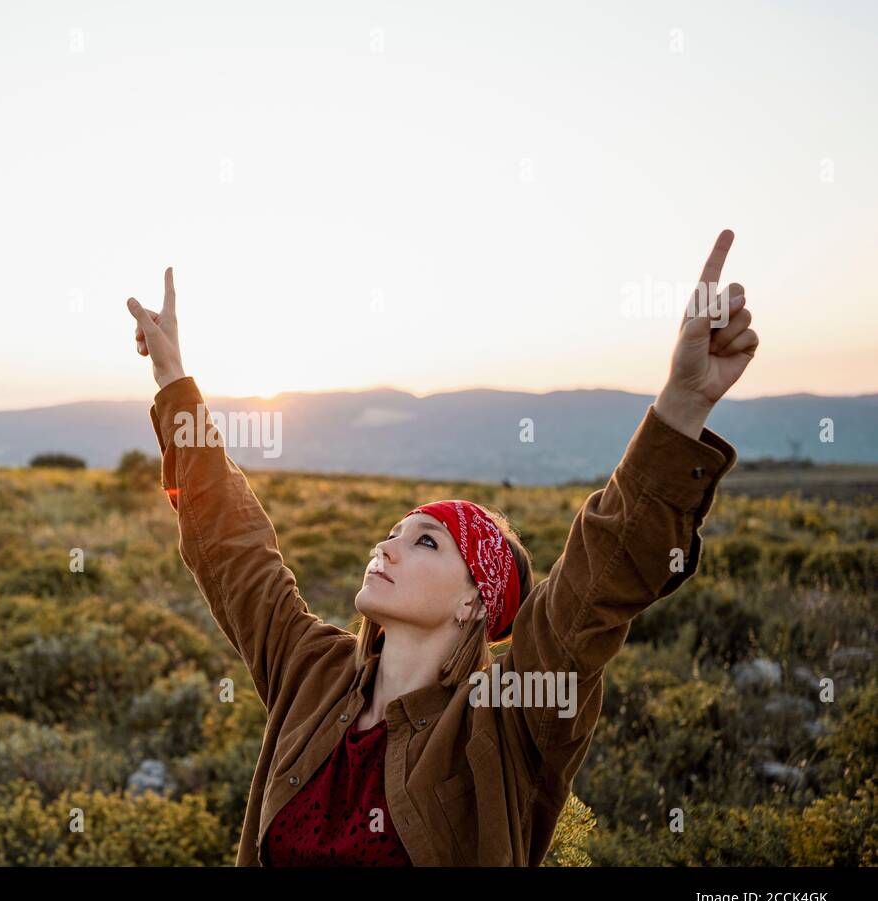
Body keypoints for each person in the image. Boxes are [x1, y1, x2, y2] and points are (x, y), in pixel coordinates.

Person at [126, 230, 757, 866]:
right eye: (393, 532)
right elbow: (235, 549)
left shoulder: (508, 716)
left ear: (472, 603)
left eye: (425, 541)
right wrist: (173, 381)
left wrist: (682, 402)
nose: (386, 546)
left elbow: (596, 582)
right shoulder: (312, 673)